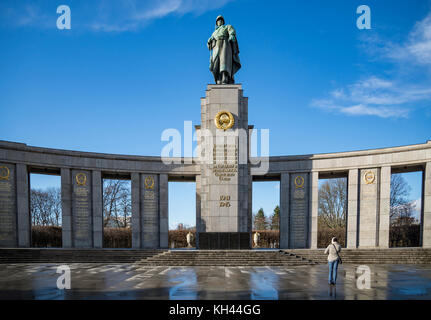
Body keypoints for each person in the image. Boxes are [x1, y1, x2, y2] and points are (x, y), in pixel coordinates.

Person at [207, 15, 241, 84]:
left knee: (224, 62)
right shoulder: (214, 33)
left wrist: (231, 36)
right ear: (216, 23)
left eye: (221, 20)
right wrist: (209, 41)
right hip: (216, 47)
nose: (220, 21)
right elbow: (209, 47)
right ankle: (218, 78)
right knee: (216, 63)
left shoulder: (227, 27)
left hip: (225, 44)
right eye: (218, 20)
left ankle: (224, 78)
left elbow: (231, 32)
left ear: (223, 21)